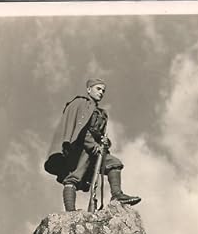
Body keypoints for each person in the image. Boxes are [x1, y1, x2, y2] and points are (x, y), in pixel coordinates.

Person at [45, 78, 141, 212]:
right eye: (98, 89)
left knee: (114, 163)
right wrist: (93, 145)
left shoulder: (101, 113)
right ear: (89, 90)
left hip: (95, 150)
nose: (101, 92)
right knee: (73, 178)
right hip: (80, 148)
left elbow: (99, 134)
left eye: (103, 90)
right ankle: (71, 212)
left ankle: (117, 196)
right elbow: (80, 129)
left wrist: (105, 143)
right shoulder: (80, 103)